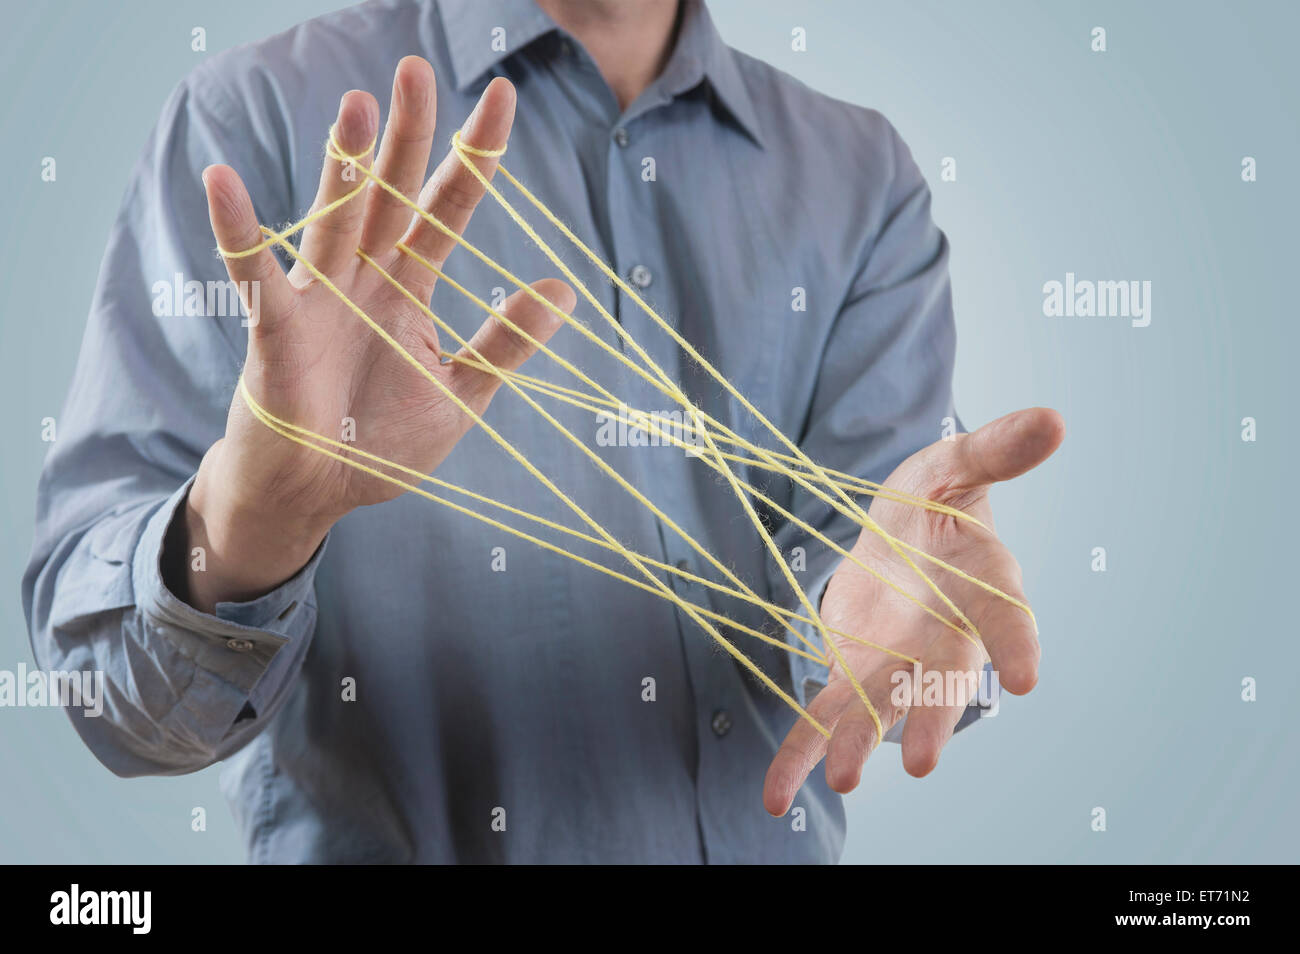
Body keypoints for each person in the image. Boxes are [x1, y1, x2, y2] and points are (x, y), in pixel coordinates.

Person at [23, 0, 1063, 863]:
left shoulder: (860, 175)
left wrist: (879, 614)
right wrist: (253, 523)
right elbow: (112, 699)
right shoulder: (253, 118)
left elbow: (871, 555)